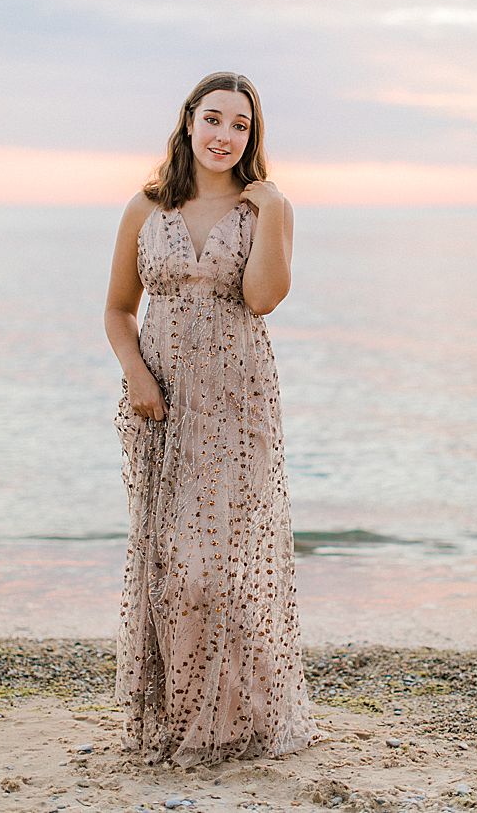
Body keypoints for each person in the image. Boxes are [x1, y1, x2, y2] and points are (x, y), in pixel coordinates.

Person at [103, 71, 320, 767]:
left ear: (252, 137)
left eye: (241, 125)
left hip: (237, 403)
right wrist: (135, 373)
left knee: (221, 571)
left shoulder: (264, 212)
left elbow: (261, 299)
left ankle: (235, 723)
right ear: (188, 121)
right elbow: (116, 309)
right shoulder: (146, 206)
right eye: (215, 119)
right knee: (172, 570)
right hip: (161, 400)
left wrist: (278, 208)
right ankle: (180, 720)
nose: (225, 135)